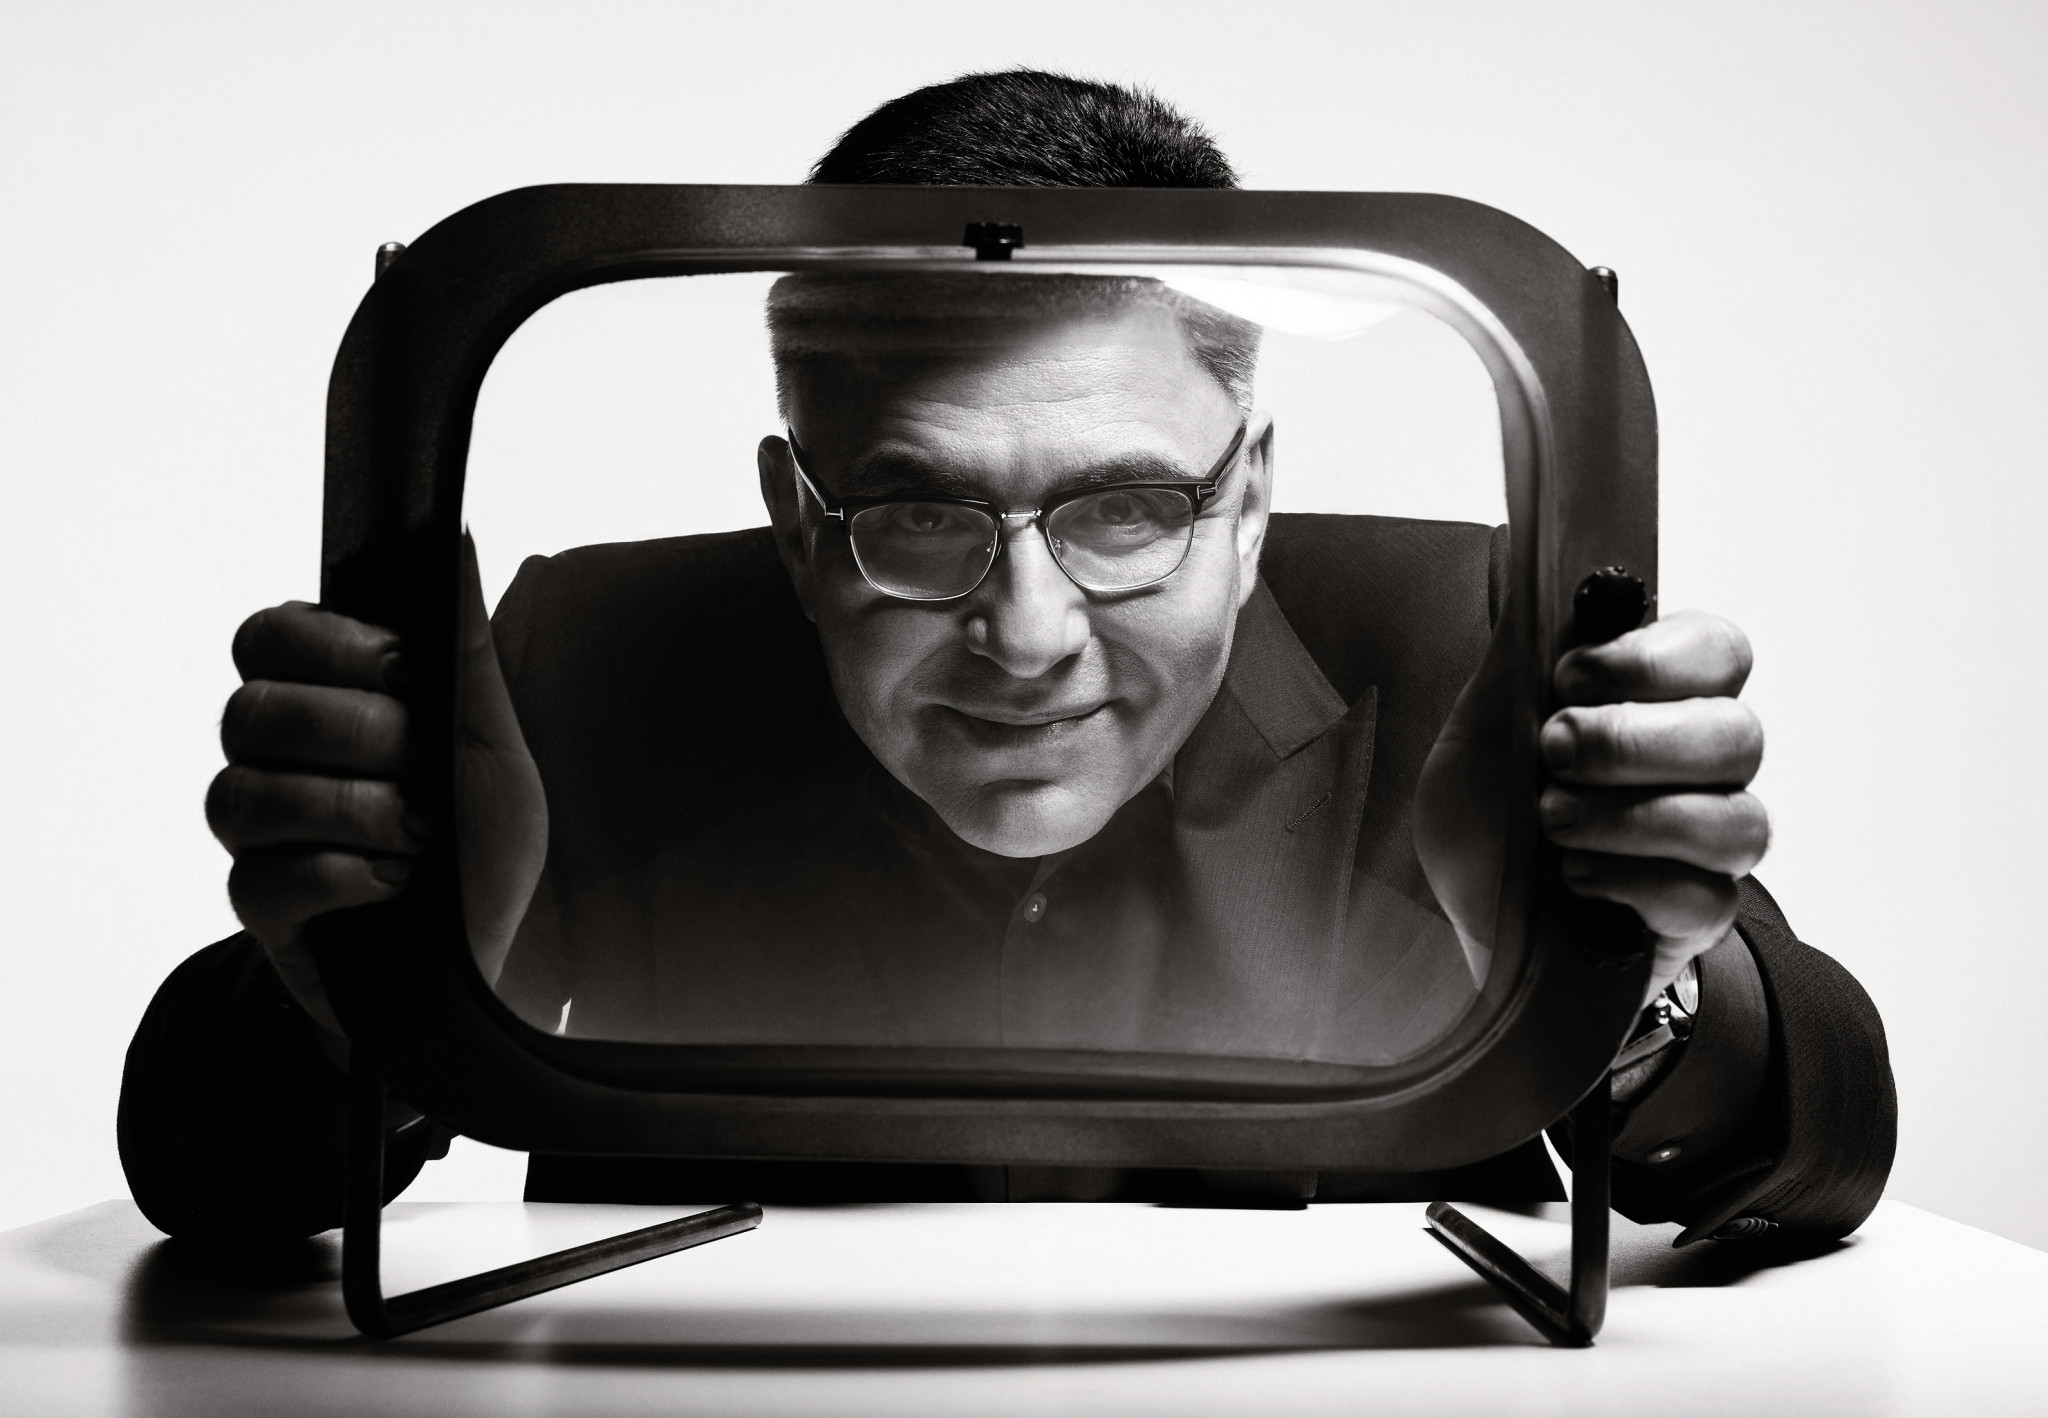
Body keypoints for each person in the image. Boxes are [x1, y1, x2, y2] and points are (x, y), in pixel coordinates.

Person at [120, 70, 1894, 1240]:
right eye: (916, 513)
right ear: (797, 524)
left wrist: (1619, 977)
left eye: (1129, 508)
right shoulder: (592, 663)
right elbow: (200, 1169)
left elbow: (1826, 1129)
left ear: (1251, 499)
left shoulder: (1459, 647)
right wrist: (370, 984)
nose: (1030, 637)